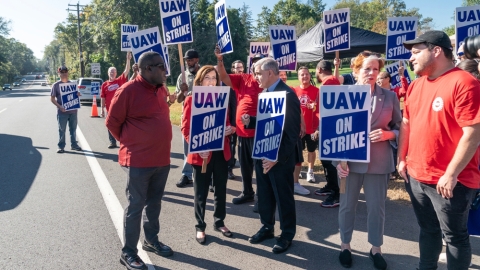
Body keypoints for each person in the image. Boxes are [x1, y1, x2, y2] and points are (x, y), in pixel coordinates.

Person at [399, 30, 480, 270]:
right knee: (428, 230)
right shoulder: (415, 86)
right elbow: (406, 123)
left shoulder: (465, 82)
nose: (411, 58)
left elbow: (473, 133)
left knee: (454, 236)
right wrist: (401, 158)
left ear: (436, 51)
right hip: (415, 175)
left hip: (452, 181)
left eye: (415, 52)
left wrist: (451, 173)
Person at [106, 51, 174, 270]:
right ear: (147, 69)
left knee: (154, 204)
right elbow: (112, 123)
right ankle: (129, 252)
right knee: (136, 206)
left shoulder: (161, 89)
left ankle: (151, 241)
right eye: (161, 66)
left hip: (162, 160)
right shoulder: (126, 91)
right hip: (138, 161)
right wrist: (132, 143)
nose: (165, 70)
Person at [335, 51, 402, 270]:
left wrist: (389, 135)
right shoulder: (341, 96)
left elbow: (400, 128)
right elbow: (332, 132)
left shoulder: (390, 97)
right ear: (355, 71)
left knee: (377, 208)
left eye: (375, 69)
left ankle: (376, 248)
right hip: (349, 164)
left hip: (379, 163)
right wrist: (338, 162)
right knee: (346, 206)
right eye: (367, 69)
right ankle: (345, 245)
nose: (371, 73)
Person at [242, 58, 301, 254]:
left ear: (270, 73)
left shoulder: (288, 95)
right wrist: (251, 121)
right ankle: (267, 227)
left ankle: (286, 234)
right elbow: (268, 122)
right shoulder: (265, 93)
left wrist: (277, 157)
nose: (255, 77)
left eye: (258, 73)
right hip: (263, 153)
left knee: (283, 197)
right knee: (265, 194)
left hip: (280, 160)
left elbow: (292, 133)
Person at [181, 65, 236, 245]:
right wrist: (196, 147)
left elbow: (228, 122)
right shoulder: (191, 100)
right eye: (207, 78)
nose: (211, 81)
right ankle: (200, 226)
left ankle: (219, 221)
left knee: (220, 190)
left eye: (214, 78)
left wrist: (230, 129)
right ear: (200, 80)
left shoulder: (222, 98)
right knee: (201, 192)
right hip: (202, 155)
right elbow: (185, 128)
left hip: (221, 153)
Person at [215, 45, 264, 206]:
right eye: (255, 62)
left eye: (260, 62)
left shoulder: (267, 82)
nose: (257, 65)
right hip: (243, 132)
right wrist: (220, 59)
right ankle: (248, 192)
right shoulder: (243, 78)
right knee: (245, 166)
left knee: (260, 167)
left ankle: (262, 199)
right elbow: (222, 76)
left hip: (259, 131)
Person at [314, 60, 341, 208]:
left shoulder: (328, 83)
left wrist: (319, 127)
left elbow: (328, 109)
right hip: (327, 125)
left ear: (319, 70)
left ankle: (336, 192)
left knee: (330, 161)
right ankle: (331, 185)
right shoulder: (332, 81)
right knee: (326, 160)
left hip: (328, 126)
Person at [376, 64, 410, 180]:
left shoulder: (394, 91)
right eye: (378, 79)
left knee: (395, 145)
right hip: (382, 122)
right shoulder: (376, 91)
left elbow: (405, 91)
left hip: (393, 123)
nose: (378, 80)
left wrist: (402, 76)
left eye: (380, 78)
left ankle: (394, 170)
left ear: (387, 79)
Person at [280, 70, 309, 196]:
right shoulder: (269, 91)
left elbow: (298, 108)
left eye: (284, 75)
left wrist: (302, 123)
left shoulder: (290, 90)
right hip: (280, 130)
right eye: (280, 75)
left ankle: (295, 183)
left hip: (293, 129)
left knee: (297, 156)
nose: (283, 77)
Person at [175, 49, 200, 188]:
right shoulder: (182, 77)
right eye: (186, 60)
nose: (188, 62)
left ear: (197, 60)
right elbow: (178, 100)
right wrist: (182, 92)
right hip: (188, 116)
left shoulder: (205, 74)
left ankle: (206, 175)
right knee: (187, 147)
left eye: (190, 60)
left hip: (203, 115)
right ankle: (187, 174)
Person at [293, 66, 319, 195]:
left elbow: (320, 109)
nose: (305, 76)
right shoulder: (294, 91)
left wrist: (314, 107)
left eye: (307, 74)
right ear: (298, 77)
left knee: (311, 150)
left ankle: (310, 171)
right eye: (302, 75)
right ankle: (299, 172)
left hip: (312, 127)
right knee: (298, 152)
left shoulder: (317, 91)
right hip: (299, 128)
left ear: (310, 75)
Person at [100, 52, 132, 148]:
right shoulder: (104, 85)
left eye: (114, 72)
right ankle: (112, 142)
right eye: (111, 72)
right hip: (109, 109)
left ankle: (124, 141)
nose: (112, 73)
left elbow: (127, 70)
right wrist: (102, 109)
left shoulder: (119, 80)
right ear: (108, 73)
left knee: (123, 125)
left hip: (121, 109)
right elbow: (102, 97)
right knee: (110, 125)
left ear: (116, 73)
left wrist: (128, 59)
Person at [50, 65, 82, 153]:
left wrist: (78, 95)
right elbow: (52, 99)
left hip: (73, 111)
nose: (64, 74)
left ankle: (74, 145)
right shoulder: (56, 85)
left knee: (73, 129)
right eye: (62, 72)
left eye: (65, 72)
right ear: (59, 73)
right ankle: (61, 146)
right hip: (62, 112)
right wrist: (60, 106)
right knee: (61, 129)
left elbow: (76, 96)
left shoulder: (72, 84)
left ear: (68, 73)